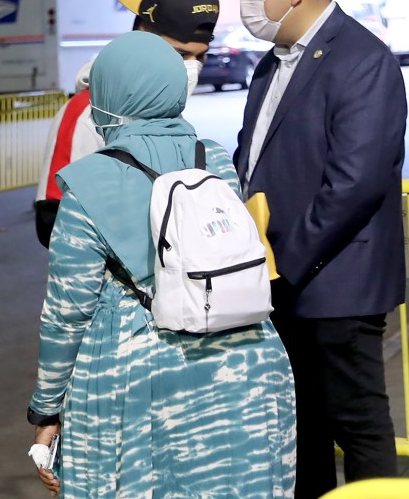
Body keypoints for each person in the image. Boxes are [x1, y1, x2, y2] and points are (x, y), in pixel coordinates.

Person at [28, 31, 296, 498]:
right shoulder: (213, 159)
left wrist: (46, 410)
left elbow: (66, 316)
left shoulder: (88, 184)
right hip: (247, 362)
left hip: (139, 373)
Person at [234, 0, 407, 497]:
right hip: (280, 281)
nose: (245, 1)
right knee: (299, 426)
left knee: (357, 426)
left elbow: (354, 183)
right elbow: (251, 159)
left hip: (337, 283)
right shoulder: (270, 65)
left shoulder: (363, 60)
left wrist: (286, 258)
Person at [34, 0, 220, 246]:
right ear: (141, 35)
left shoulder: (169, 110)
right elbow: (52, 222)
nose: (190, 70)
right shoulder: (89, 111)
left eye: (200, 57)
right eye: (180, 55)